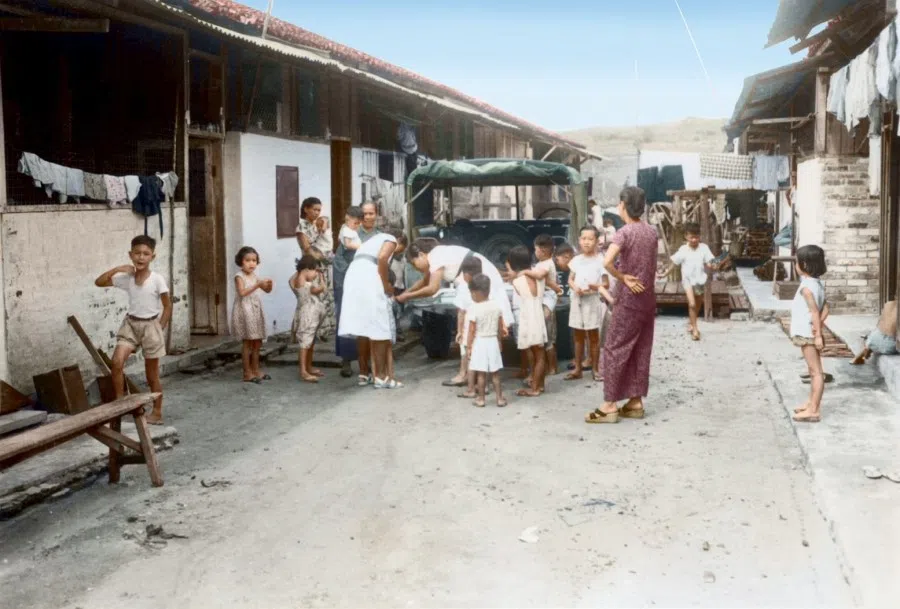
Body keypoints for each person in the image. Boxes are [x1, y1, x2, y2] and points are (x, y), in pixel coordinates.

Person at [398, 239, 514, 385]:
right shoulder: (436, 256)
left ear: (421, 254)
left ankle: (465, 374)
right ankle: (473, 373)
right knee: (473, 329)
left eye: (414, 264)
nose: (416, 268)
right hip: (474, 276)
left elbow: (432, 288)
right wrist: (405, 293)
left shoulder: (435, 256)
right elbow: (424, 281)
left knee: (469, 328)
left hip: (477, 277)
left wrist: (407, 296)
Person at [588, 186, 658, 424]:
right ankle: (635, 400)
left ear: (623, 206)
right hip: (648, 299)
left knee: (614, 348)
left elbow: (606, 262)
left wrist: (623, 277)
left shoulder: (624, 233)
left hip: (628, 299)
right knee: (640, 347)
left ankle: (609, 405)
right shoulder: (651, 232)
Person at [94, 236, 172, 425]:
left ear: (152, 256)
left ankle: (157, 412)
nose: (141, 257)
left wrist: (159, 327)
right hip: (130, 325)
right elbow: (99, 282)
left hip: (150, 326)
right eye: (137, 253)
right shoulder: (126, 278)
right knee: (117, 362)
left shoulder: (157, 279)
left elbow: (167, 306)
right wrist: (118, 268)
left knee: (151, 375)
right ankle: (121, 403)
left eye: (146, 254)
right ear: (131, 255)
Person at [338, 228, 408, 389]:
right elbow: (383, 258)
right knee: (380, 326)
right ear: (400, 240)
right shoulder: (390, 238)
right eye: (400, 250)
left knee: (364, 327)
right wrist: (386, 286)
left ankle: (364, 374)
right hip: (368, 276)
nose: (396, 253)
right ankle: (382, 377)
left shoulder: (371, 242)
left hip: (354, 276)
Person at [332, 201, 380, 378]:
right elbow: (340, 258)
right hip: (345, 279)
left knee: (367, 317)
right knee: (345, 316)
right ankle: (346, 359)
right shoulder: (350, 230)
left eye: (371, 213)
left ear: (376, 215)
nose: (368, 217)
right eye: (364, 214)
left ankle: (366, 360)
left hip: (366, 281)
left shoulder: (379, 235)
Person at [567, 226, 613, 383]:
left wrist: (594, 286)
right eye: (583, 239)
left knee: (593, 337)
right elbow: (570, 279)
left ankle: (595, 369)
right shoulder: (576, 260)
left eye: (590, 239)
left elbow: (605, 284)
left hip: (592, 300)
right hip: (577, 299)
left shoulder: (601, 261)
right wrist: (575, 288)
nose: (586, 242)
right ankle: (578, 368)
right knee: (578, 336)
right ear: (579, 240)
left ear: (597, 241)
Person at [657, 222, 715, 341]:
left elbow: (709, 262)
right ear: (686, 236)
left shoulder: (704, 247)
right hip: (687, 280)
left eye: (696, 237)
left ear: (699, 236)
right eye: (691, 237)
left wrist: (713, 266)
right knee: (692, 304)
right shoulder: (683, 249)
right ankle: (695, 329)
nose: (694, 240)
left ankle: (691, 321)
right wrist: (664, 273)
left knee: (698, 304)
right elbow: (674, 263)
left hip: (700, 279)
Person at [791, 245, 829, 423]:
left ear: (804, 264)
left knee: (816, 372)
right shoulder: (817, 284)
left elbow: (814, 312)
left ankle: (813, 410)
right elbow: (826, 308)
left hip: (808, 334)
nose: (795, 265)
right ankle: (810, 402)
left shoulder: (807, 288)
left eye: (796, 262)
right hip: (810, 332)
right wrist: (819, 326)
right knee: (813, 370)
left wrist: (818, 334)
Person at [230, 246, 274, 384]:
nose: (251, 263)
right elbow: (242, 292)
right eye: (247, 260)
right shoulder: (239, 276)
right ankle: (246, 372)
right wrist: (258, 284)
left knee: (257, 342)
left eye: (254, 260)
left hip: (255, 310)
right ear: (241, 262)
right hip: (245, 310)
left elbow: (266, 291)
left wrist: (269, 285)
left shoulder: (254, 276)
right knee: (248, 342)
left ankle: (256, 370)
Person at [508, 246, 548, 397]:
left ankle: (535, 388)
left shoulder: (518, 281)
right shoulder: (538, 274)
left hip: (528, 316)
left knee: (537, 354)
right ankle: (540, 385)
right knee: (540, 352)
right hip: (537, 313)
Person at [522, 234, 563, 375]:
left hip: (548, 299)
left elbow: (540, 276)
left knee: (549, 336)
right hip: (543, 297)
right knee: (544, 335)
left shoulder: (547, 264)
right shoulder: (541, 264)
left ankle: (552, 367)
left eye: (536, 249)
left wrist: (524, 271)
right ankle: (546, 366)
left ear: (543, 250)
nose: (535, 252)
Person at [465, 274, 508, 408]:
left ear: (476, 293)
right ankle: (499, 398)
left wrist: (469, 346)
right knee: (495, 373)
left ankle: (481, 399)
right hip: (493, 341)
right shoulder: (496, 307)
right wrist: (500, 342)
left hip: (480, 342)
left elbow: (472, 330)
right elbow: (500, 328)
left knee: (481, 373)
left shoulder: (474, 308)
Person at [296, 197, 335, 341]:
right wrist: (323, 257)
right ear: (306, 209)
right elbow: (307, 249)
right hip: (311, 266)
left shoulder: (318, 223)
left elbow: (325, 226)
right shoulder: (301, 228)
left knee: (325, 296)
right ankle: (311, 332)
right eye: (314, 209)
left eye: (319, 210)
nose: (317, 213)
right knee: (312, 298)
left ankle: (324, 331)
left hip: (324, 266)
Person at [290, 255, 327, 383]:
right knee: (305, 343)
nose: (316, 273)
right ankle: (303, 371)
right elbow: (320, 289)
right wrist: (322, 280)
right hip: (308, 315)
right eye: (314, 270)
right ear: (306, 270)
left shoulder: (295, 279)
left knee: (309, 341)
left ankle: (308, 367)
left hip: (310, 314)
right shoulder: (305, 283)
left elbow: (291, 279)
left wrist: (301, 268)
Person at [455, 255, 486, 399]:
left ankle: (471, 387)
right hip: (483, 326)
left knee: (469, 357)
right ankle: (483, 386)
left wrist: (459, 331)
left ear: (466, 274)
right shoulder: (485, 283)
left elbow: (461, 312)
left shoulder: (463, 287)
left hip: (469, 326)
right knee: (482, 357)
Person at [851, 300, 897, 365]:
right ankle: (868, 347)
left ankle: (868, 348)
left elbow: (879, 325)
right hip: (892, 347)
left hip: (875, 339)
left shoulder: (888, 304)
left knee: (875, 334)